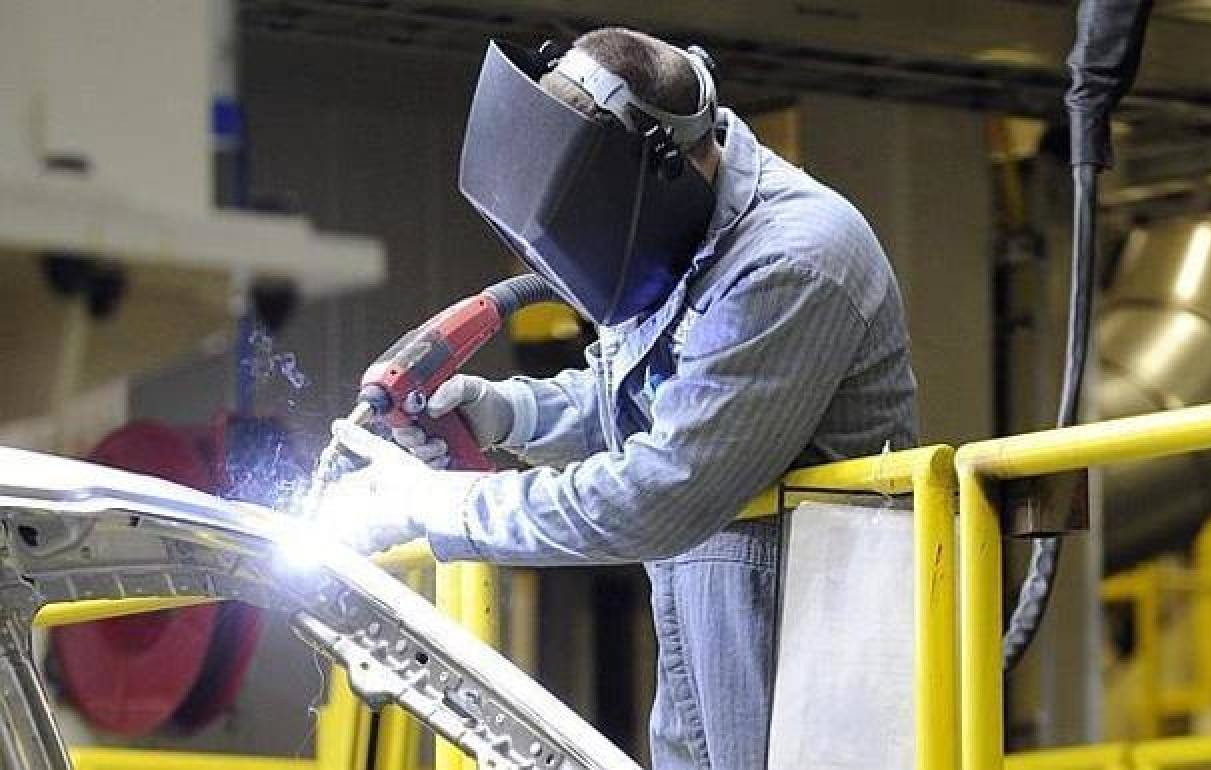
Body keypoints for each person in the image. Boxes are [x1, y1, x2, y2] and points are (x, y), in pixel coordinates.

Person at [323, 26, 918, 770]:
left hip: (821, 719)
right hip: (710, 696)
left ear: (659, 169)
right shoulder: (677, 233)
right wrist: (505, 413)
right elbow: (644, 398)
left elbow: (663, 489)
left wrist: (430, 507)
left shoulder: (794, 262)